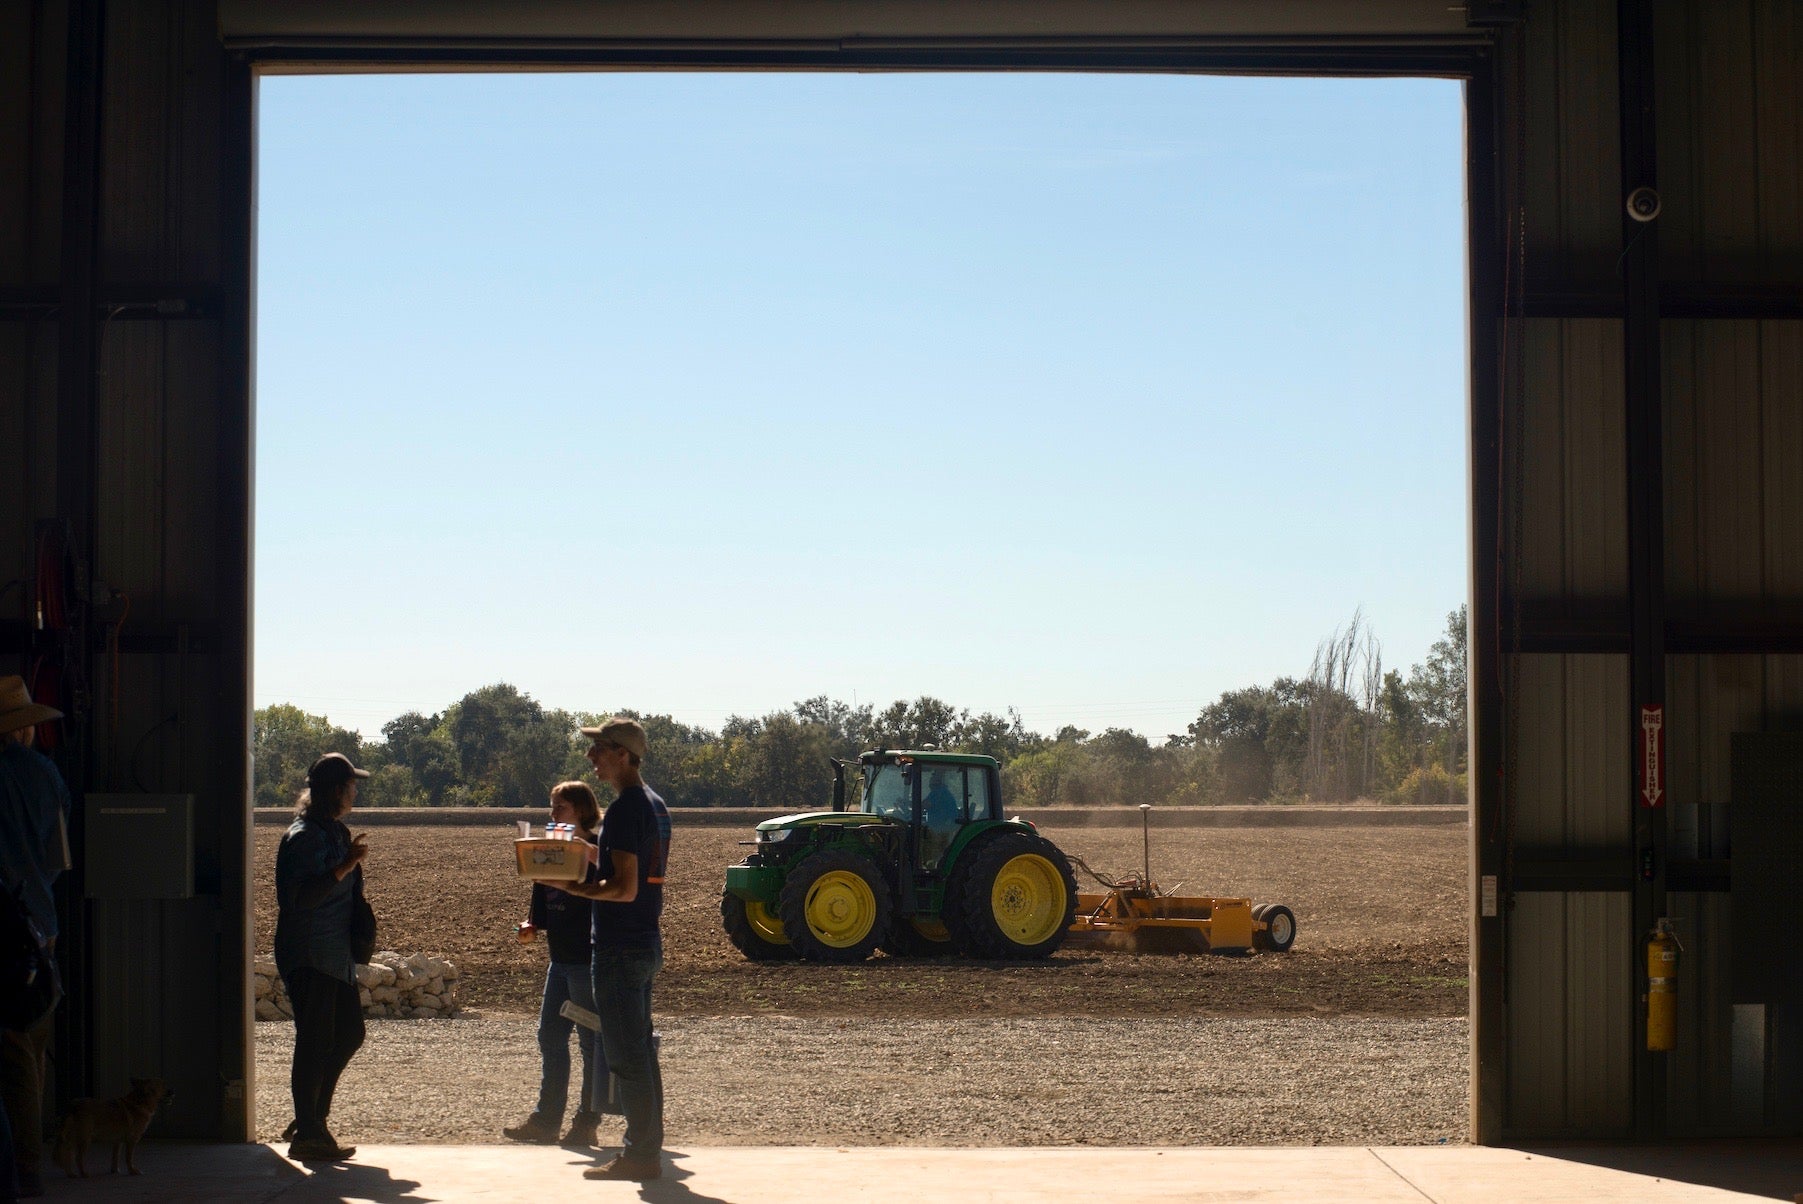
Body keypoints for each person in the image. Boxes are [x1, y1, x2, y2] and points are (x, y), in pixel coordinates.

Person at [561, 718, 668, 1181]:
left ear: (623, 755)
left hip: (619, 948)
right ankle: (645, 1149)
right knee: (640, 1051)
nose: (591, 758)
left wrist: (573, 888)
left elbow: (623, 889)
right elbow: (635, 870)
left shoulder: (625, 809)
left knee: (626, 1056)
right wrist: (588, 852)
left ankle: (641, 1155)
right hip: (644, 941)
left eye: (600, 749)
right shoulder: (654, 805)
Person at [273, 752, 371, 1162]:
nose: (355, 793)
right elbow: (297, 899)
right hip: (311, 953)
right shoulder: (305, 837)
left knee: (349, 1033)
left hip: (334, 953)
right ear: (335, 791)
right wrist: (346, 866)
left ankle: (312, 1117)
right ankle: (310, 1130)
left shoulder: (332, 830)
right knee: (313, 1042)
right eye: (351, 786)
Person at [503, 780, 607, 1147]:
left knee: (590, 1042)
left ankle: (587, 1121)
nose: (552, 815)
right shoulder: (549, 849)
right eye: (551, 807)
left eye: (559, 807)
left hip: (585, 961)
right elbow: (543, 896)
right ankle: (547, 1121)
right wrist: (532, 923)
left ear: (580, 810)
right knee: (550, 1036)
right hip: (559, 960)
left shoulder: (596, 852)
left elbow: (606, 897)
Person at [0, 676, 70, 1200]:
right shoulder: (46, 776)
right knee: (28, 1060)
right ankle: (27, 1170)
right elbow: (56, 861)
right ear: (22, 731)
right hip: (35, 934)